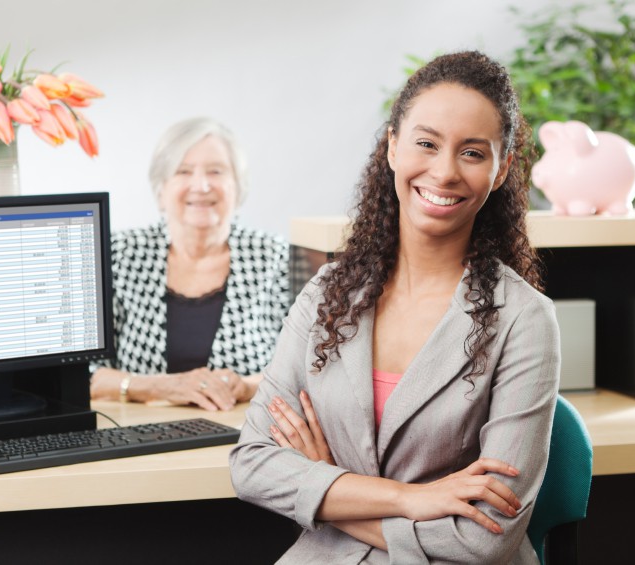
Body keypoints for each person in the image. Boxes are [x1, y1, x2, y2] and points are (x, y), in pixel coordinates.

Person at [229, 51, 560, 564]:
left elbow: (485, 537)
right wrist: (413, 498)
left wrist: (331, 490)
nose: (445, 171)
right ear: (391, 147)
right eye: (426, 143)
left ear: (501, 171)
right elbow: (252, 464)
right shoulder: (327, 294)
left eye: (472, 153)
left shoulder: (525, 318)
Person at [90, 117, 290, 411]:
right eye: (183, 172)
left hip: (245, 435)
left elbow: (307, 369)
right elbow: (82, 373)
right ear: (162, 189)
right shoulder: (118, 253)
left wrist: (247, 386)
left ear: (238, 187)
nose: (201, 185)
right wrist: (157, 387)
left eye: (216, 171)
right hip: (139, 436)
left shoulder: (275, 256)